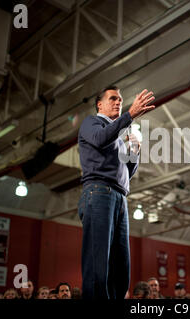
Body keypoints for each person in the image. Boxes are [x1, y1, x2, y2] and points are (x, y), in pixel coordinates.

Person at [78, 86, 155, 299]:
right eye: (113, 98)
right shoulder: (92, 123)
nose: (118, 102)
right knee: (98, 265)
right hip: (99, 192)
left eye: (121, 99)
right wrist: (130, 115)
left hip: (120, 197)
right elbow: (101, 139)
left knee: (120, 270)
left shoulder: (119, 136)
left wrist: (135, 153)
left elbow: (126, 173)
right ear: (99, 104)